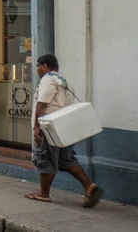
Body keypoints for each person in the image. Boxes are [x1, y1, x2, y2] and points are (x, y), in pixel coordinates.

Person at [26, 54, 103, 208]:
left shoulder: (48, 79)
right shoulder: (64, 81)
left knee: (46, 157)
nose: (37, 70)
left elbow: (42, 104)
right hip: (64, 127)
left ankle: (43, 194)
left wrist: (37, 127)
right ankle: (89, 186)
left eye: (38, 66)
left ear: (45, 66)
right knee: (65, 160)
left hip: (50, 127)